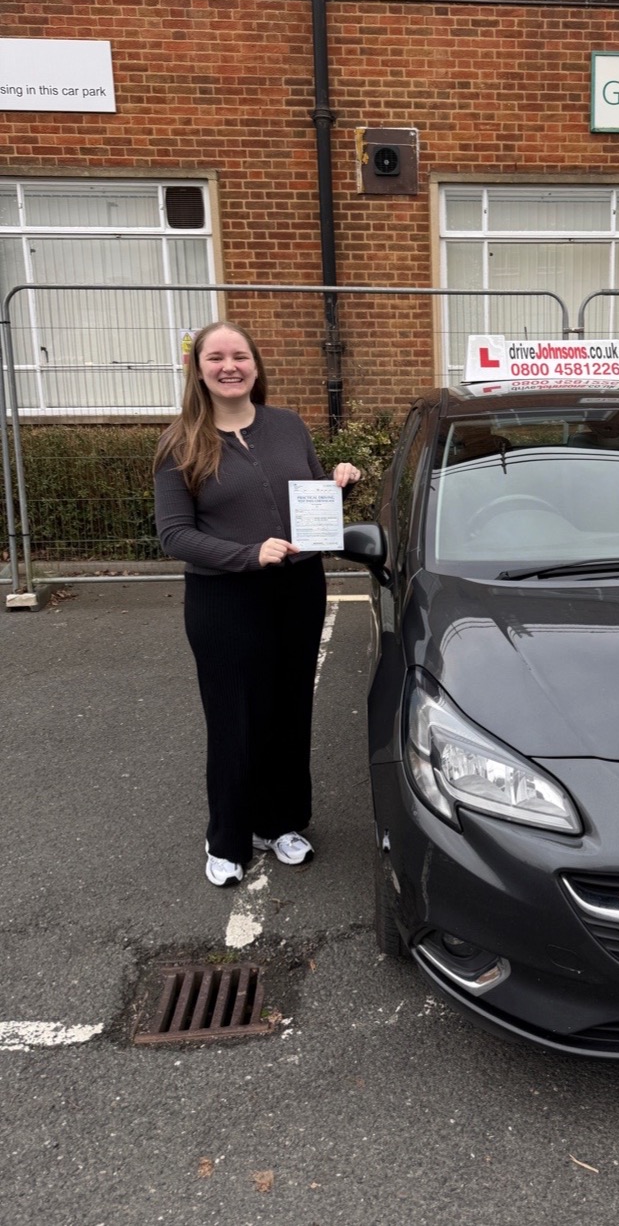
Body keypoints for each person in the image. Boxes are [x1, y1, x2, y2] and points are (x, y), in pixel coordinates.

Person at [153, 321, 362, 887]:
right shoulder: (181, 442)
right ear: (198, 370)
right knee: (234, 719)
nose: (229, 366)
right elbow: (174, 535)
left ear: (255, 365)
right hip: (226, 598)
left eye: (239, 356)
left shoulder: (287, 425)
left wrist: (338, 482)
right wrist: (247, 553)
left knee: (290, 710)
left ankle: (280, 822)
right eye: (215, 357)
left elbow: (310, 492)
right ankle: (227, 837)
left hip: (298, 590)